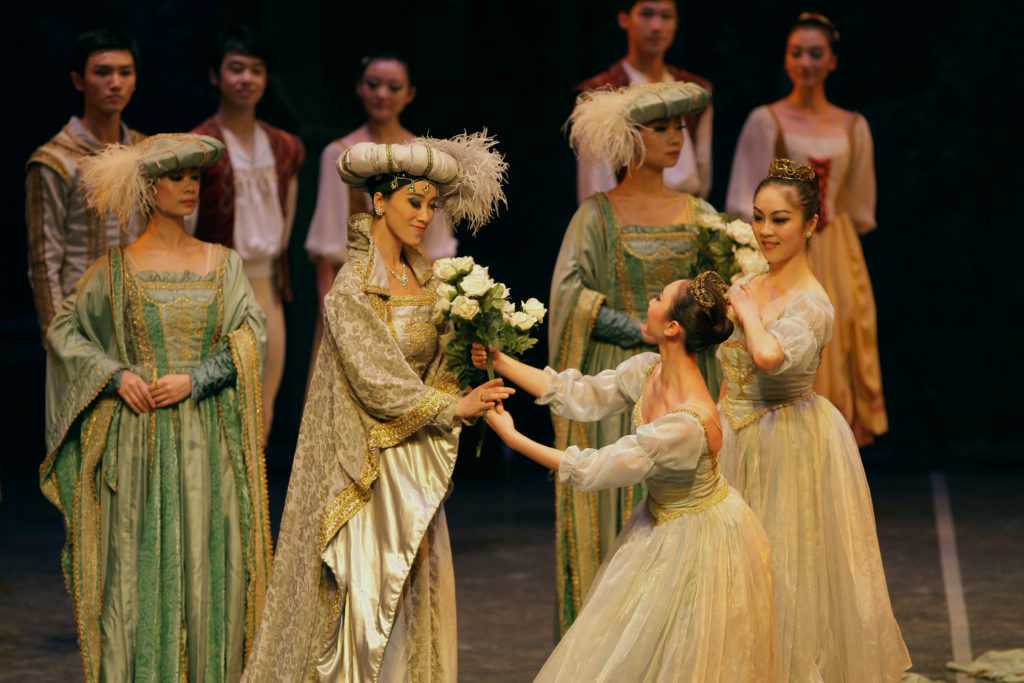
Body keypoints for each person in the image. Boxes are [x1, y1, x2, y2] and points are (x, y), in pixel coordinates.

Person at [243, 133, 509, 682]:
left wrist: (468, 356)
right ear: (379, 201)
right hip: (369, 465)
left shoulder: (430, 279)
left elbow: (436, 362)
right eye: (415, 202)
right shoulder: (351, 289)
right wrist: (450, 406)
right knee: (371, 597)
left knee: (416, 593)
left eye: (433, 205)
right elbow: (377, 381)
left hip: (415, 463)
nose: (426, 216)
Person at [40, 133, 272, 682]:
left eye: (195, 176)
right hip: (140, 448)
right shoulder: (115, 271)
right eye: (176, 176)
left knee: (211, 568)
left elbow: (251, 334)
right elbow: (64, 331)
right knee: (138, 575)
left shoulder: (223, 264)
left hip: (207, 442)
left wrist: (198, 377)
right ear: (148, 187)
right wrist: (115, 374)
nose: (190, 186)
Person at [471, 271, 776, 681]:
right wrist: (500, 361)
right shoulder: (649, 368)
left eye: (657, 298)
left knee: (681, 657)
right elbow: (579, 393)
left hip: (701, 538)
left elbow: (594, 468)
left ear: (672, 326)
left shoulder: (687, 422)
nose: (647, 302)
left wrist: (512, 436)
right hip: (659, 521)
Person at [718, 158, 910, 681]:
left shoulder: (813, 304)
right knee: (732, 574)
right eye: (758, 217)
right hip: (734, 439)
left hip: (788, 444)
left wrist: (749, 312)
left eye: (779, 220)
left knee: (783, 571)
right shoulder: (749, 282)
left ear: (810, 224)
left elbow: (769, 357)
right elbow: (730, 367)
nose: (764, 231)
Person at [551, 80, 729, 634]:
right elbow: (569, 295)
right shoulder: (597, 216)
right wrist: (643, 329)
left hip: (682, 385)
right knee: (611, 514)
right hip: (620, 377)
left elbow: (719, 293)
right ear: (632, 140)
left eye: (681, 126)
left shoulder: (700, 213)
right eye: (663, 128)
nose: (678, 138)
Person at [725, 12, 886, 445]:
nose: (806, 62)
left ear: (832, 60)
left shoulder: (853, 126)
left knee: (843, 338)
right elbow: (747, 202)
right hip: (783, 245)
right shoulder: (767, 121)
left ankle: (832, 450)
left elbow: (857, 204)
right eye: (797, 53)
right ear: (785, 59)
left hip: (836, 247)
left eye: (816, 54)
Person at [190, 24, 305, 442]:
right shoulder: (197, 145)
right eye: (236, 68)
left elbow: (286, 218)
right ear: (215, 75)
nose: (246, 79)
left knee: (262, 409)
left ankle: (252, 507)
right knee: (216, 408)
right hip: (213, 288)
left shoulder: (285, 146)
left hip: (268, 286)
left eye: (256, 70)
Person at [305, 52, 457, 316]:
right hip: (357, 298)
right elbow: (327, 248)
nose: (382, 94)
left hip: (415, 295)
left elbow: (439, 247)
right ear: (359, 88)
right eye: (373, 84)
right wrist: (330, 310)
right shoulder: (341, 154)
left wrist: (442, 310)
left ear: (410, 93)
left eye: (394, 87)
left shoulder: (426, 157)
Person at [27, 28, 144, 341]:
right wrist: (56, 339)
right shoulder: (55, 159)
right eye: (103, 72)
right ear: (79, 81)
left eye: (125, 72)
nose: (115, 83)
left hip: (143, 315)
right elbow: (44, 260)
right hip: (80, 319)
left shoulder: (145, 153)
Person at [573, 0, 713, 202]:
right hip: (626, 221)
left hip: (687, 215)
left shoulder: (694, 91)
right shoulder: (601, 93)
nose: (656, 27)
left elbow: (703, 170)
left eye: (666, 16)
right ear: (624, 19)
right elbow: (595, 187)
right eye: (646, 14)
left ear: (676, 22)